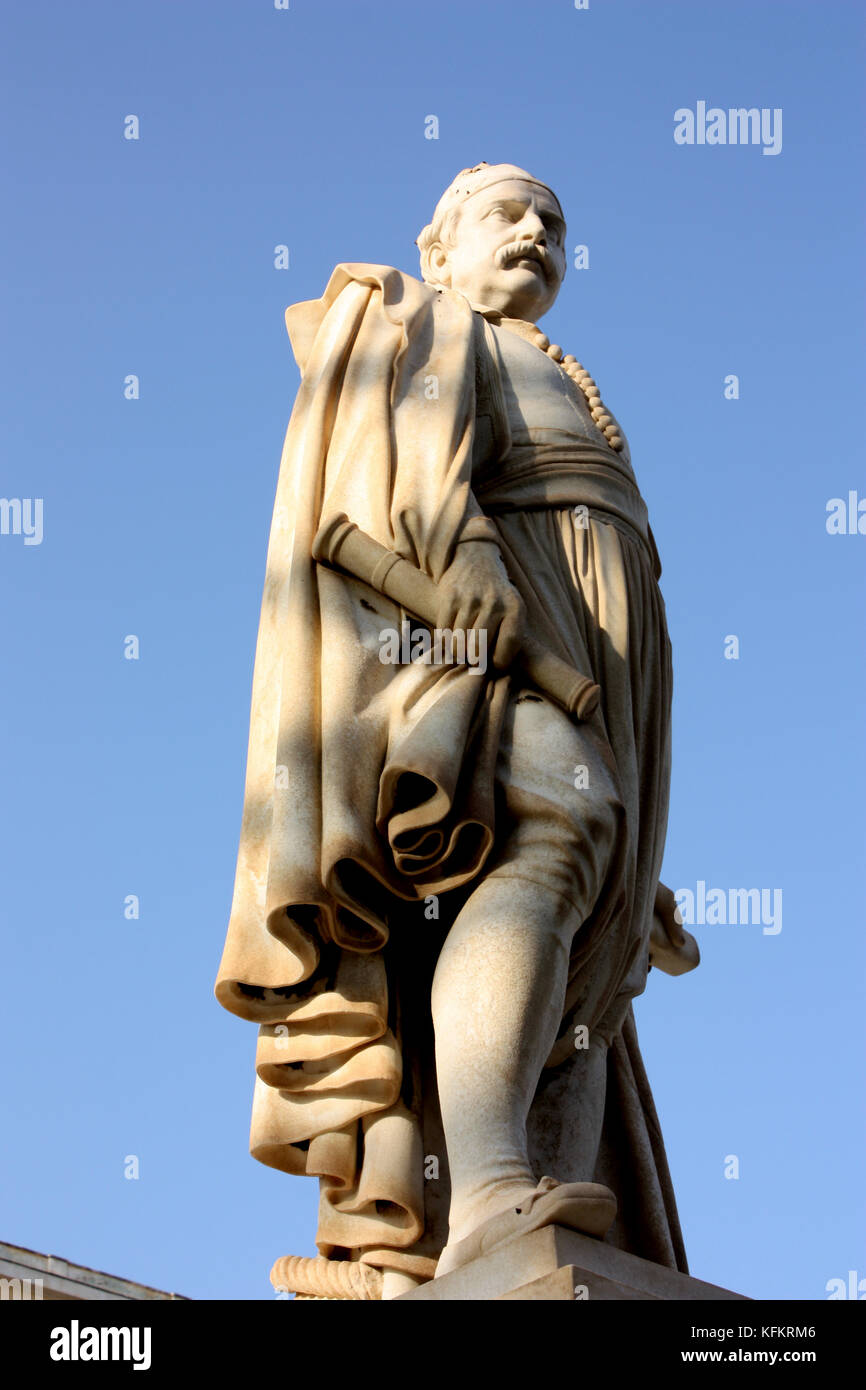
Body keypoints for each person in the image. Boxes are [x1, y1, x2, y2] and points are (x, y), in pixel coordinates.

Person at [215, 162, 698, 1300]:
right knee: (557, 825)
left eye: (553, 222)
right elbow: (386, 452)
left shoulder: (569, 373)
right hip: (461, 648)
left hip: (604, 681)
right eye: (505, 214)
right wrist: (465, 548)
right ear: (440, 248)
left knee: (599, 954)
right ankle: (484, 1187)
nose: (534, 231)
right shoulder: (416, 317)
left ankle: (531, 1230)